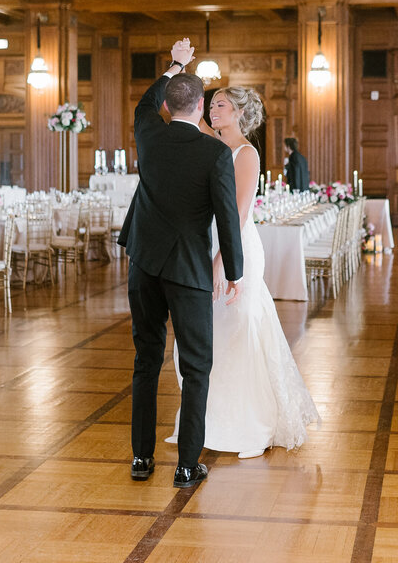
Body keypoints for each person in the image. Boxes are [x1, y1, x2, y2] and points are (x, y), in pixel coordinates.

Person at [165, 87, 319, 460]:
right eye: (211, 104)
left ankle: (247, 423)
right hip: (210, 246)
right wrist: (179, 68)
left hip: (237, 251)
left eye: (220, 105)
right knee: (209, 335)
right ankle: (209, 421)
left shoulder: (245, 154)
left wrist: (222, 263)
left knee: (237, 329)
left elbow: (239, 213)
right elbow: (184, 112)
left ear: (238, 114)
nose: (212, 110)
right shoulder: (213, 145)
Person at [118, 38, 244, 490]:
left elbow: (145, 101)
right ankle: (187, 465)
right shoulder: (214, 153)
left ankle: (140, 458)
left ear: (169, 105)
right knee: (196, 367)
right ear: (201, 106)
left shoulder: (148, 132)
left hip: (144, 266)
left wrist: (174, 65)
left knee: (145, 360)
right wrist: (234, 271)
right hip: (189, 270)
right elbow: (227, 217)